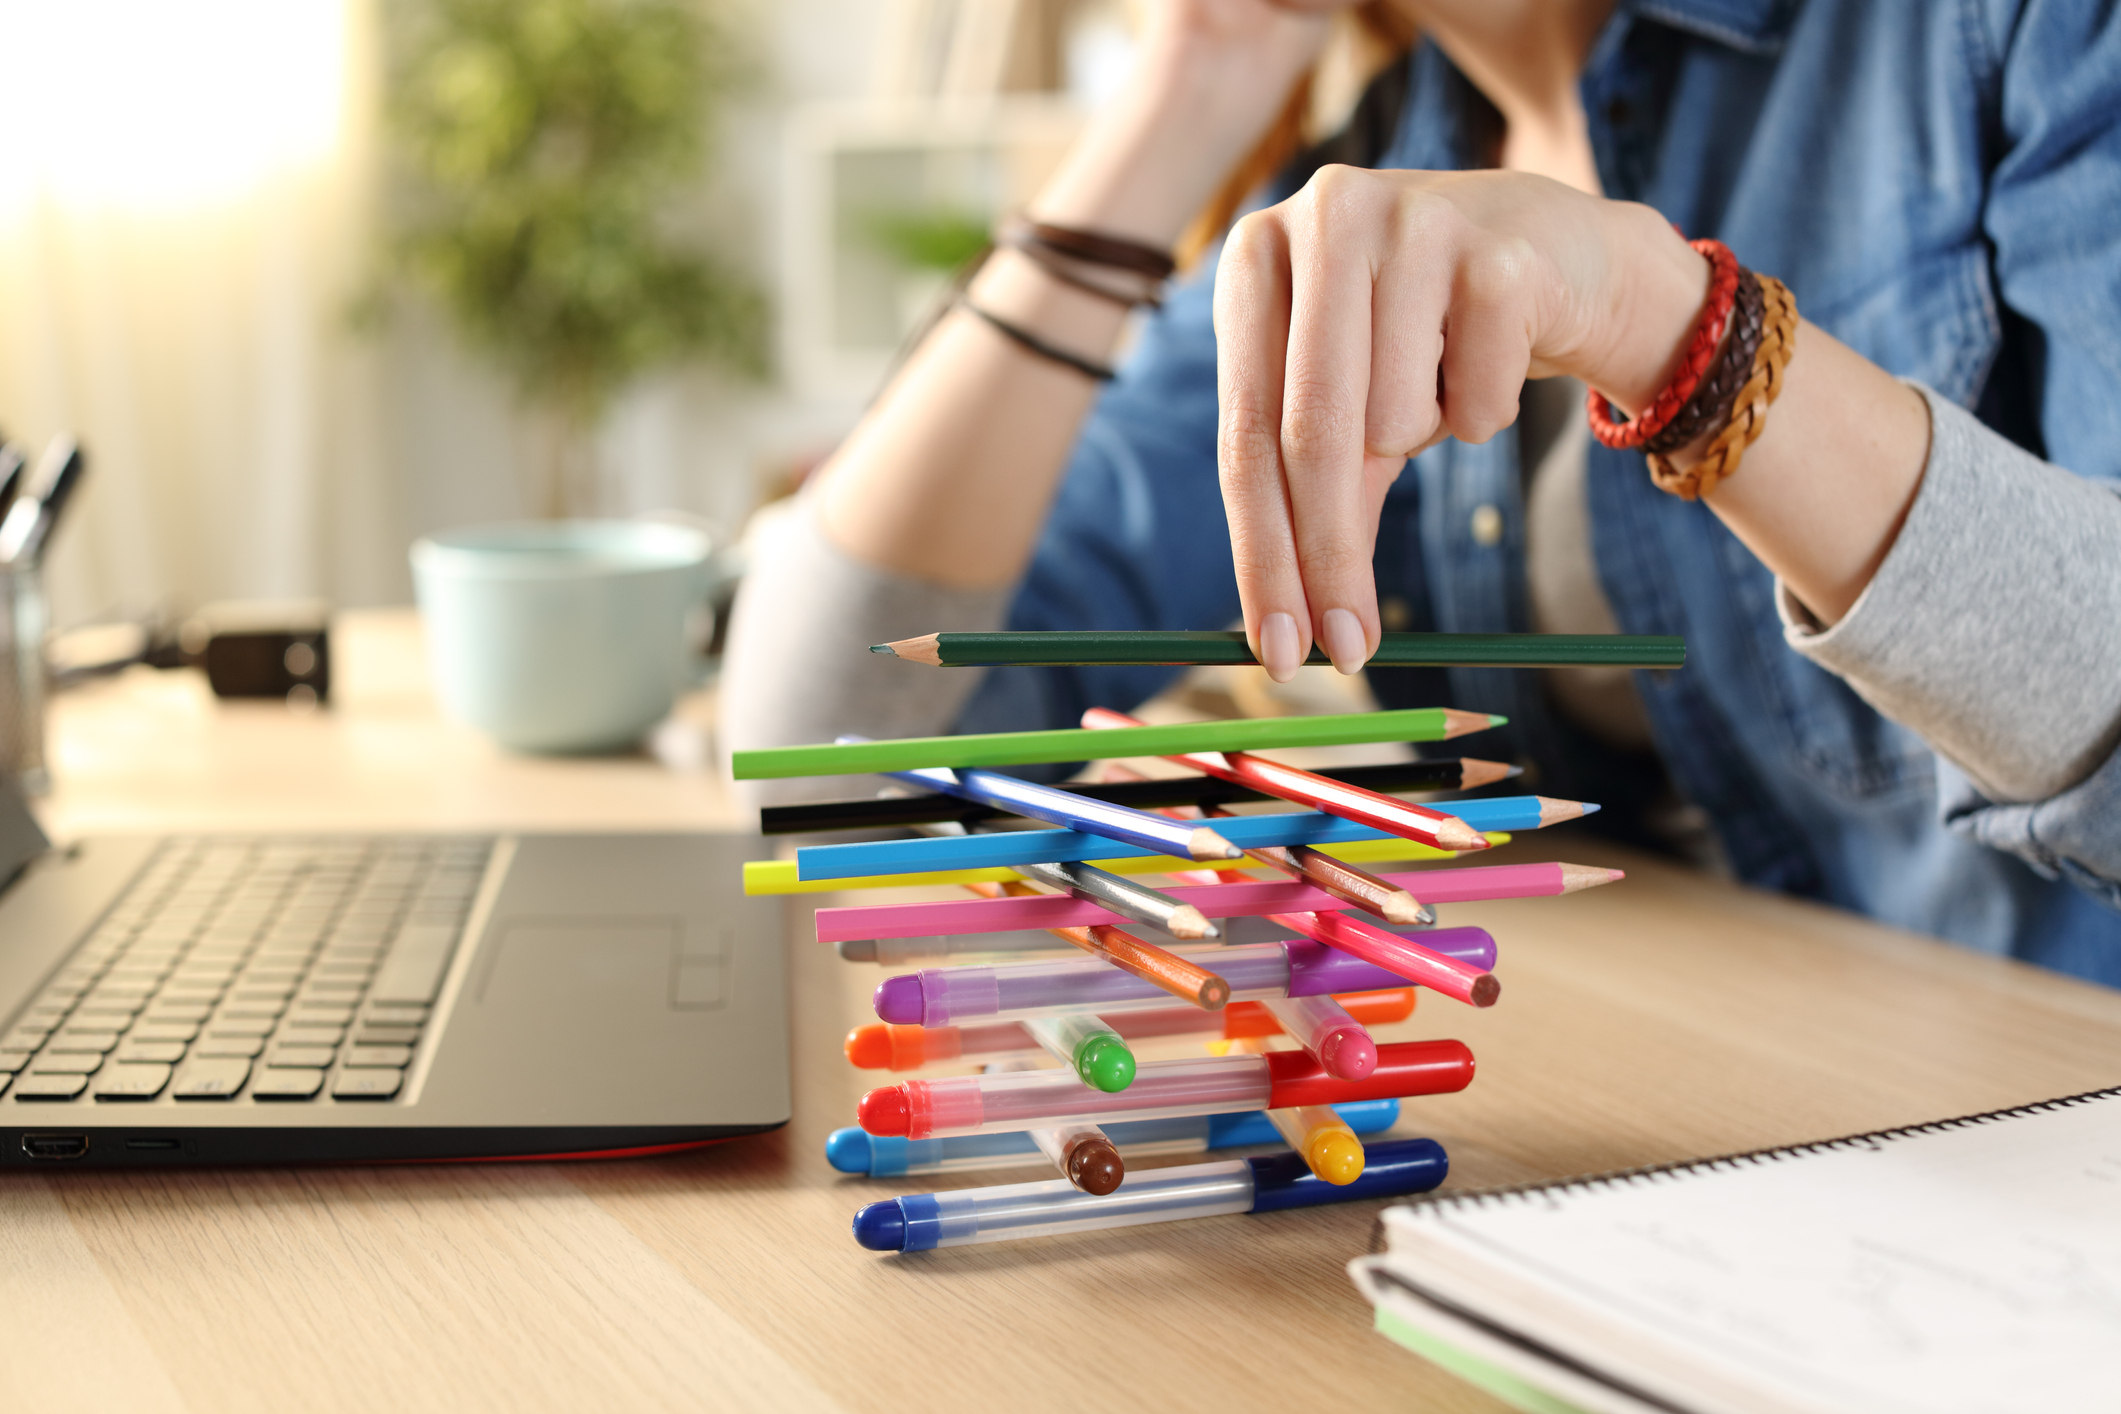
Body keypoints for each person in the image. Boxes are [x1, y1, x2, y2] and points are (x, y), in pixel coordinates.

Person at [722, 0, 2121, 984]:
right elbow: (834, 759)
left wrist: (1665, 321)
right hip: (1701, 1152)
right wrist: (1183, 90)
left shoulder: (1987, 29)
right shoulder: (1357, 201)